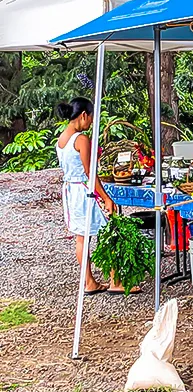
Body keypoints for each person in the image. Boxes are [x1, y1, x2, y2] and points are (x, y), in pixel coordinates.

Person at [56, 97, 128, 295]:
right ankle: (116, 281)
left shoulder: (62, 139)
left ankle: (89, 282)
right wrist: (105, 197)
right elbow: (90, 172)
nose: (91, 123)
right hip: (84, 191)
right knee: (109, 231)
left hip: (71, 190)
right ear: (84, 115)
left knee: (82, 237)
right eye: (91, 118)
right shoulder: (81, 139)